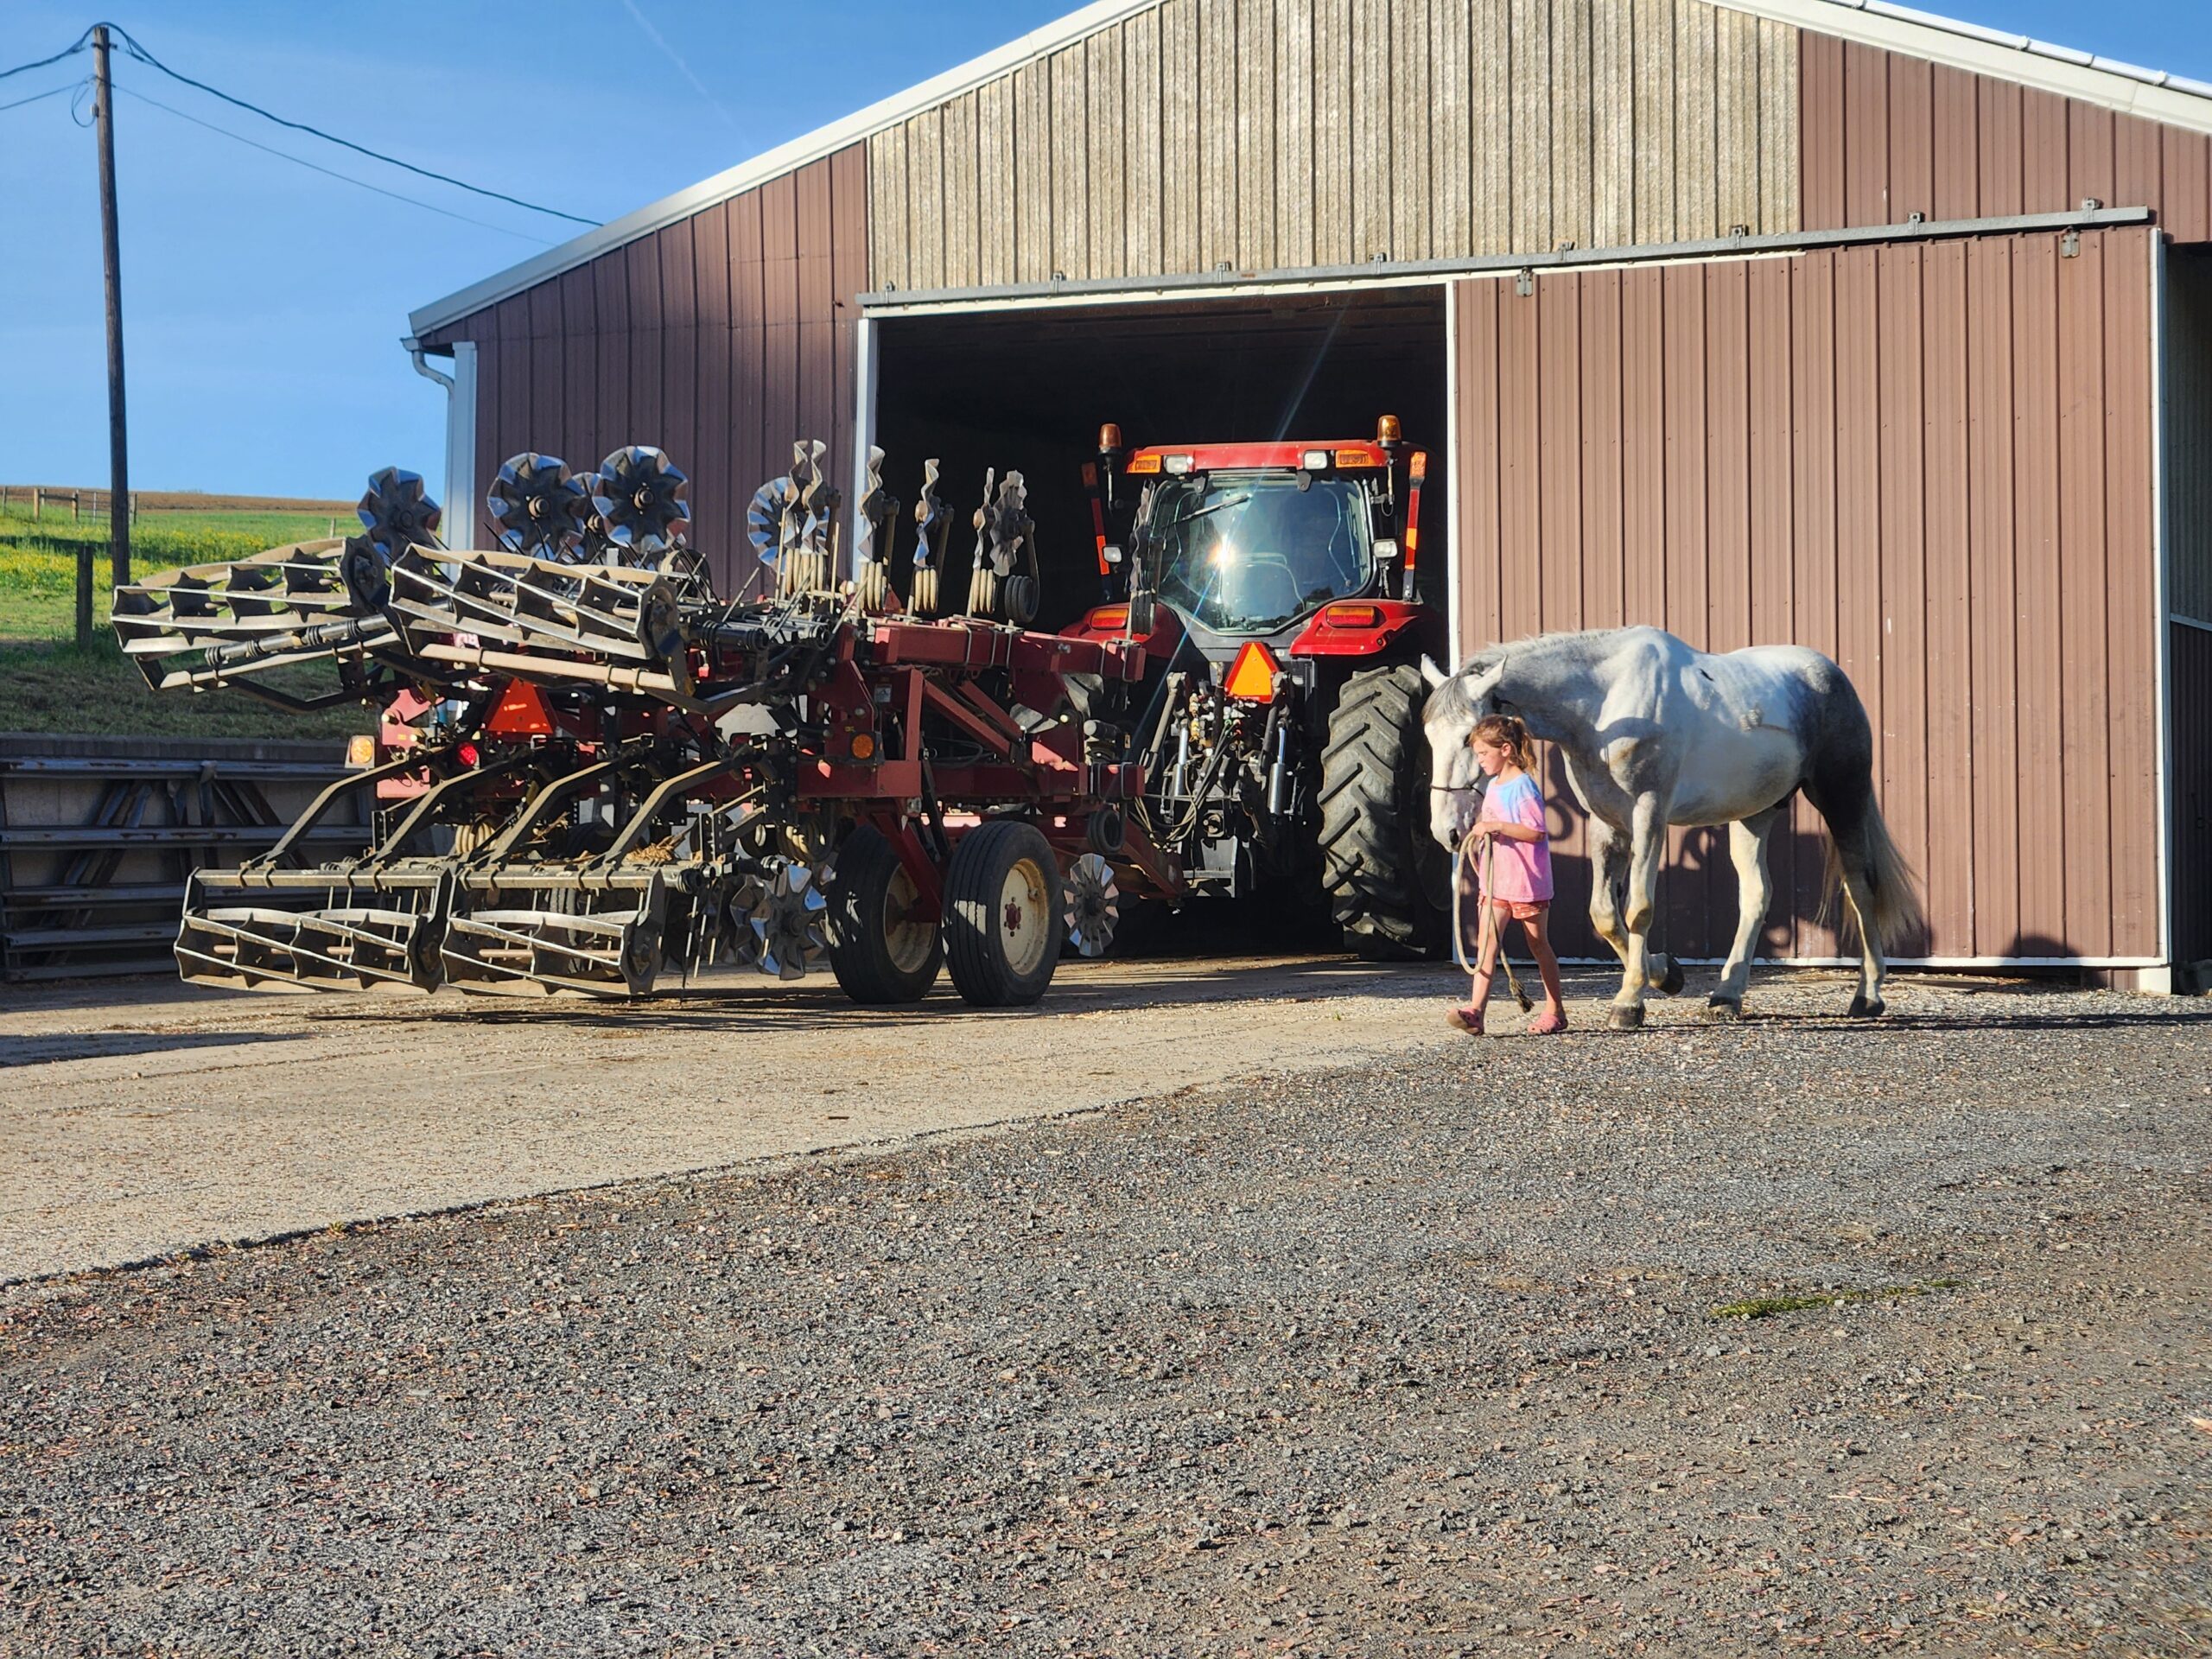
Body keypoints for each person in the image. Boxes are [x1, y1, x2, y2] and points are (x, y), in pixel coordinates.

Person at [1448, 714, 1567, 1036]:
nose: (1480, 761)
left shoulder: (1523, 787)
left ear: (1504, 749)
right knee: (1487, 944)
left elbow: (1536, 832)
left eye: (1483, 754)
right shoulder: (1495, 786)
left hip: (1526, 883)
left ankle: (1555, 1010)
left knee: (1538, 944)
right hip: (1496, 880)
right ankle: (1476, 1012)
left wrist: (1496, 826)